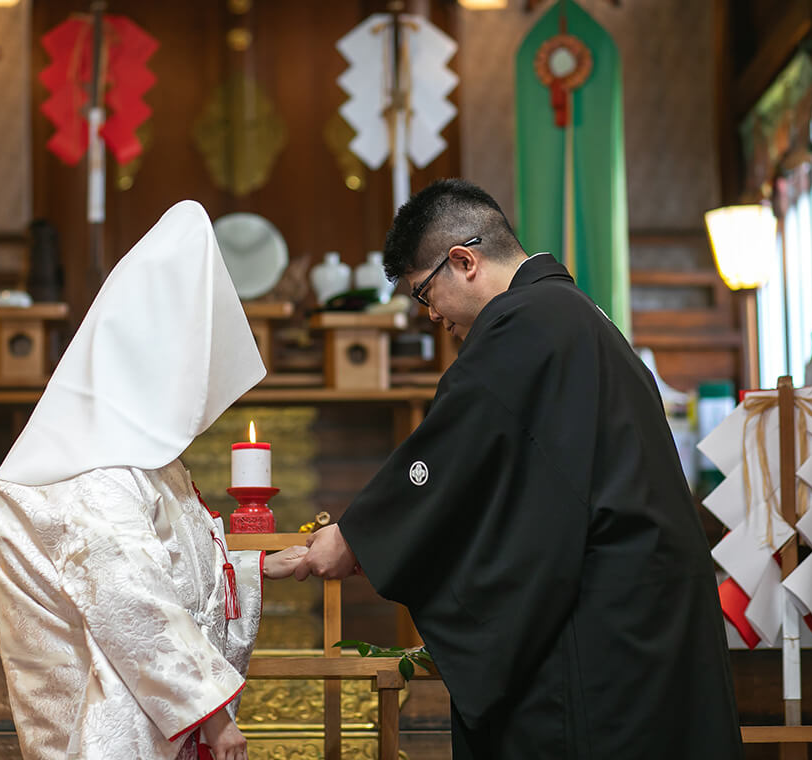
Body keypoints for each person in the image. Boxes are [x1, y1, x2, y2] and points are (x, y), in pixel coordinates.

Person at [297, 179, 743, 759]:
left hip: (601, 630)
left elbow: (456, 447)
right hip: (642, 612)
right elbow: (524, 482)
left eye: (425, 293)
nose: (432, 315)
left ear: (464, 261)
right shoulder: (570, 314)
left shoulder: (526, 324)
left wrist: (357, 535)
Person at [0, 201, 307, 760]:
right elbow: (135, 602)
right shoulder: (94, 470)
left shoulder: (132, 456)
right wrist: (210, 714)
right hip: (106, 729)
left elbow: (169, 564)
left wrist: (250, 567)